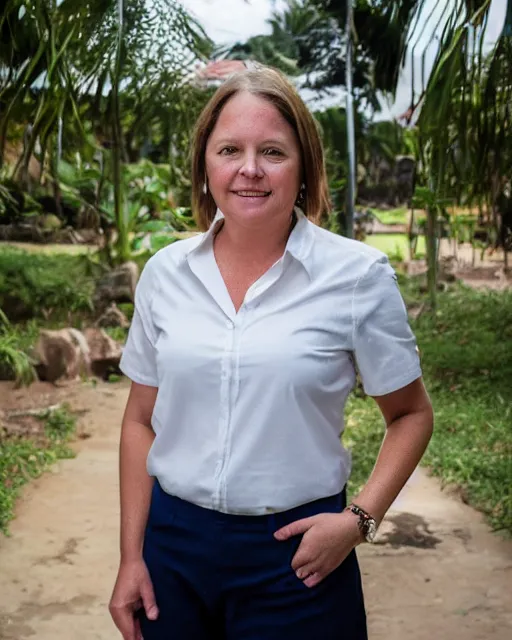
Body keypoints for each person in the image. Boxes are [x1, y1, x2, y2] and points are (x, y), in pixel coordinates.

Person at [109, 65, 434, 640]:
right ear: (205, 165)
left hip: (298, 558)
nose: (249, 169)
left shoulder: (356, 277)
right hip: (173, 551)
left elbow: (410, 414)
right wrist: (131, 557)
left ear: (304, 165)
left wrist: (358, 521)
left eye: (273, 152)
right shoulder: (165, 274)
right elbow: (139, 420)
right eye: (230, 149)